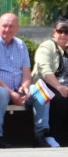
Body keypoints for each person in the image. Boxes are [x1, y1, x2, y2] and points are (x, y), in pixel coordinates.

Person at [0, 13, 32, 149]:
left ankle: (43, 133)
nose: (7, 30)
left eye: (11, 26)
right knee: (2, 93)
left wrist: (25, 87)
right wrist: (11, 93)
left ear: (18, 28)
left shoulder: (21, 45)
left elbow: (26, 73)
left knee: (41, 94)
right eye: (4, 26)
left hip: (17, 89)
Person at [30, 19, 68, 147]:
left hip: (64, 86)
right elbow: (45, 70)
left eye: (66, 32)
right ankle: (49, 134)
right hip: (46, 86)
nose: (63, 34)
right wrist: (59, 87)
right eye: (60, 31)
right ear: (54, 33)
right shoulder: (47, 46)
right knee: (58, 98)